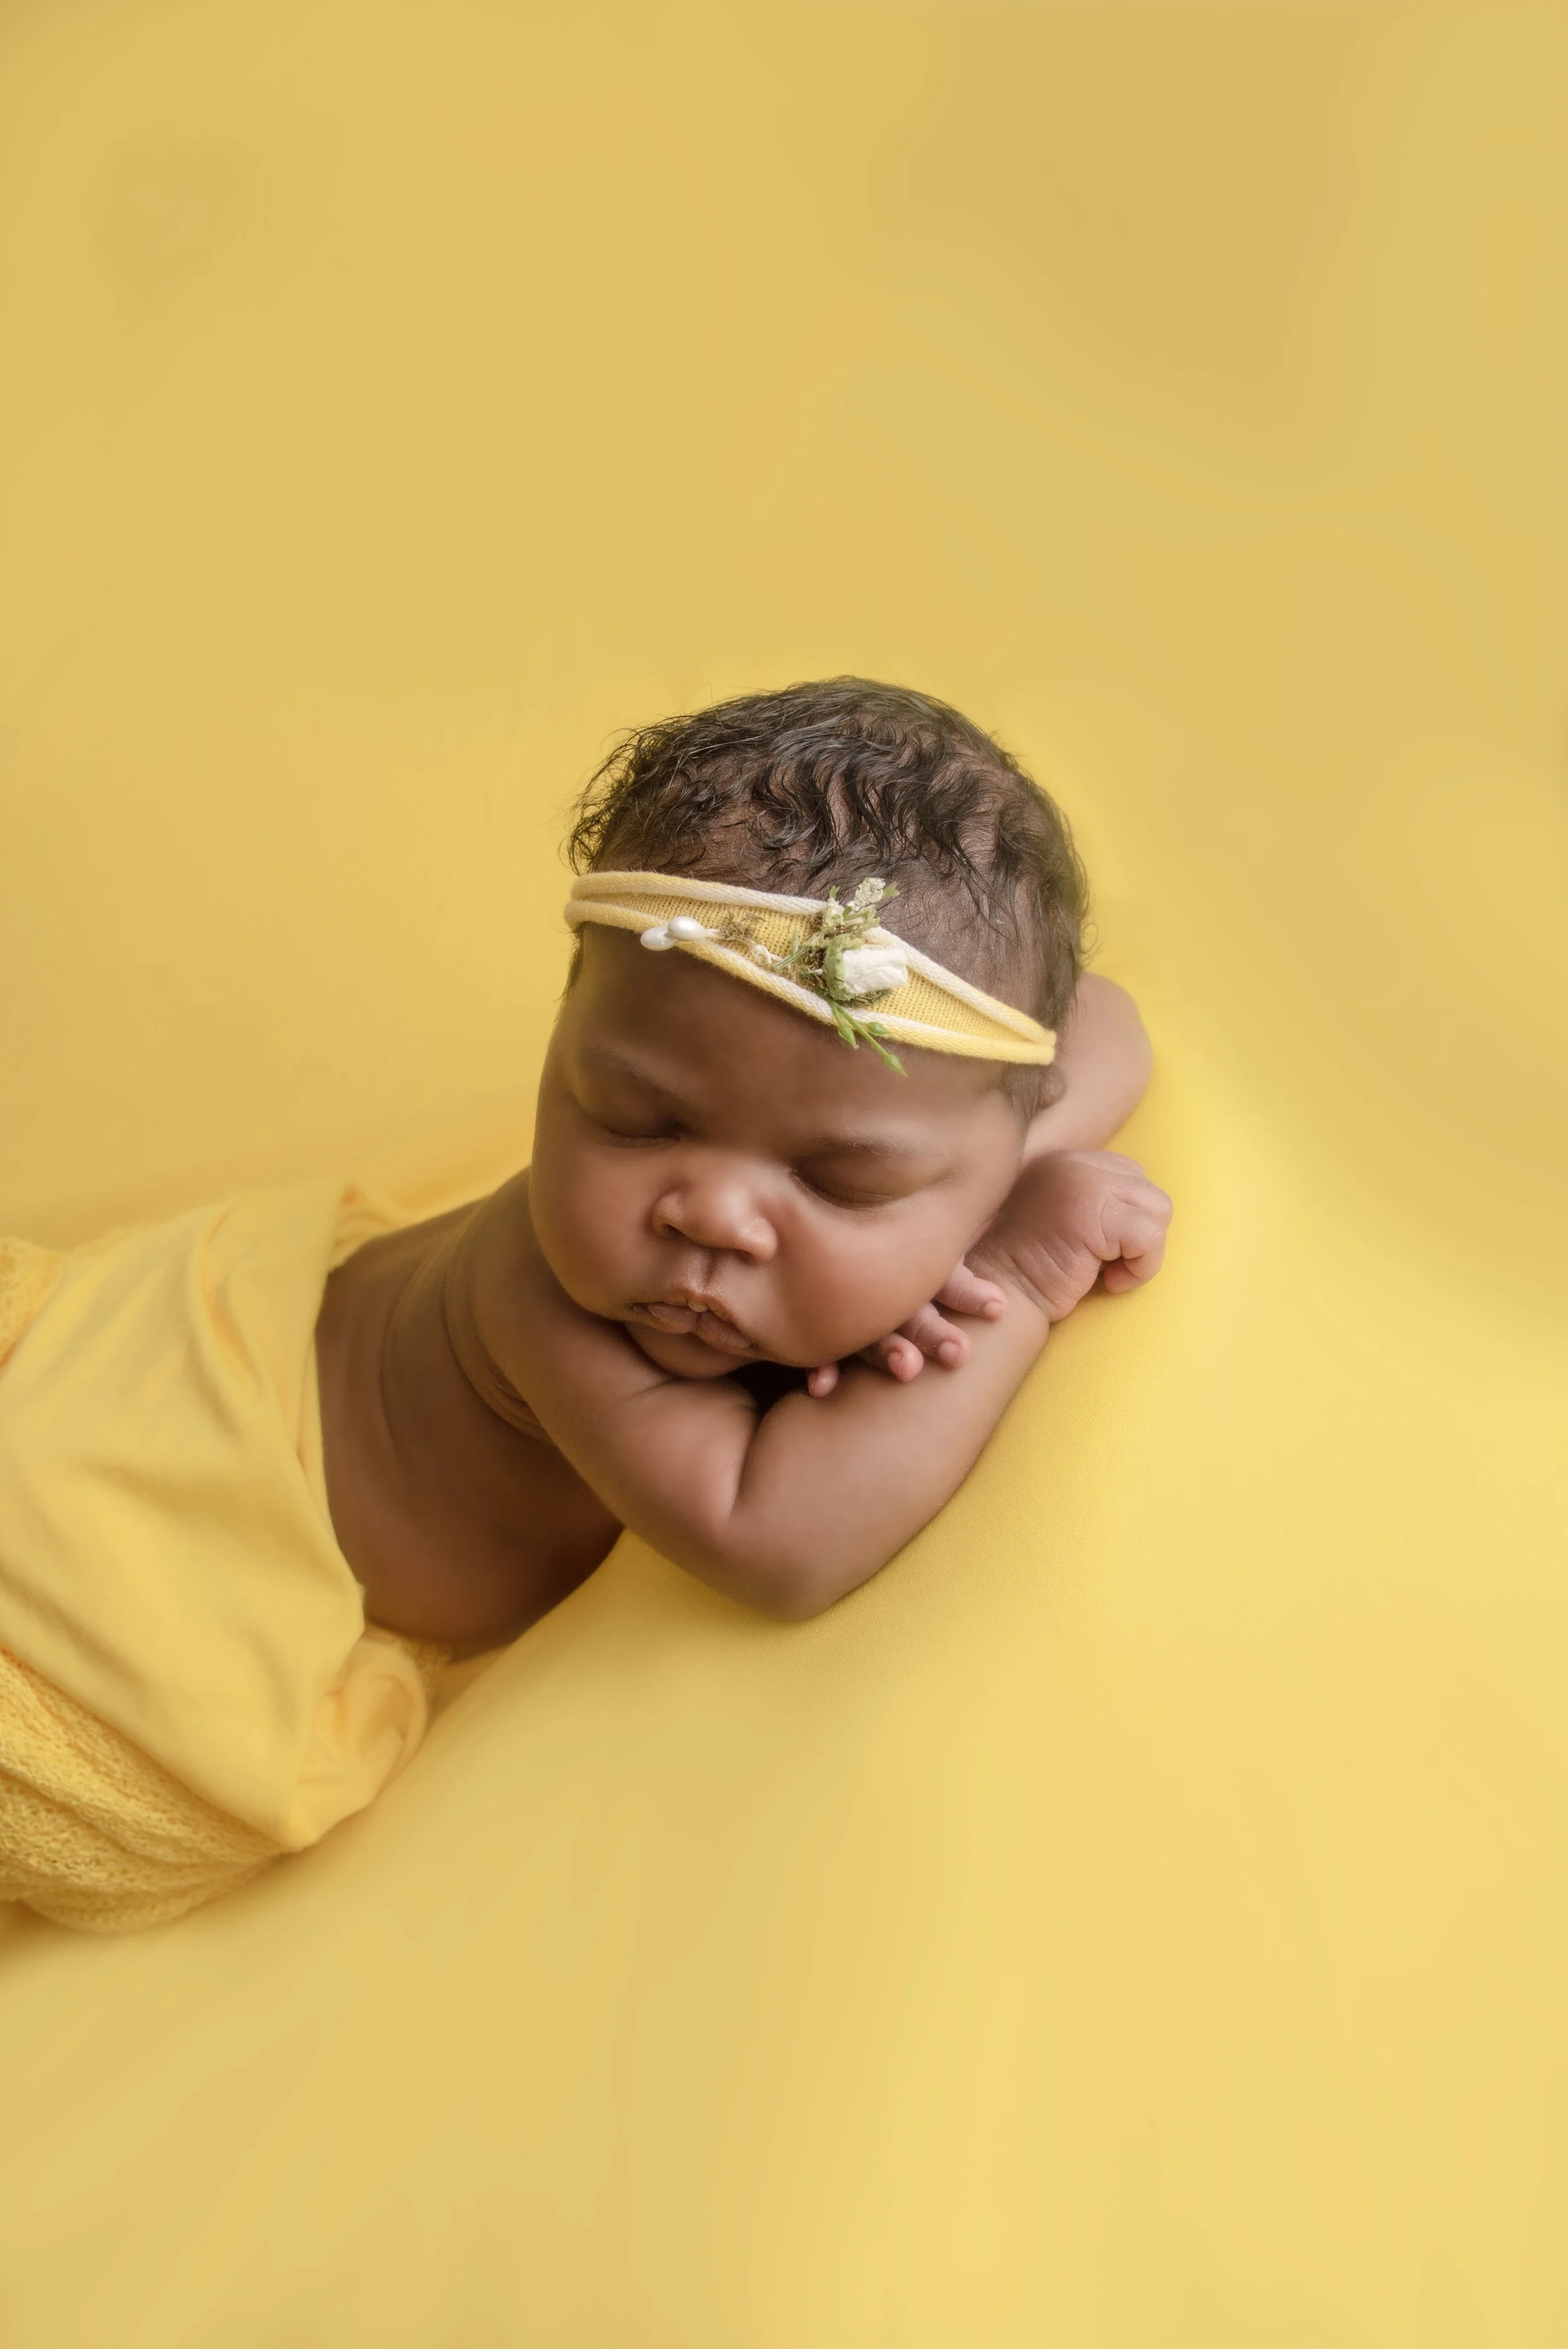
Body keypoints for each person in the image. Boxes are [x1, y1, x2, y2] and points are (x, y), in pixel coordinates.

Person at [0, 679, 1169, 1931]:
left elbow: (1107, 1025)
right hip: (195, 1494)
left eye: (840, 1178)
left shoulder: (942, 1123)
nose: (709, 1215)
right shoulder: (545, 1299)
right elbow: (773, 1537)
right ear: (568, 1025)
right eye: (636, 1118)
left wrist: (968, 1198)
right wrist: (1013, 1275)